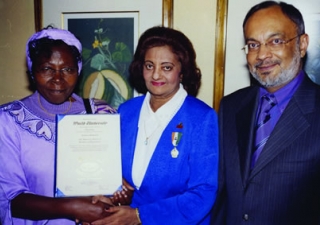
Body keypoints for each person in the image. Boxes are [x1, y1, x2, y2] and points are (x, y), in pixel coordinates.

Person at [0, 26, 132, 224]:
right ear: (32, 71)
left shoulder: (100, 113)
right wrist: (74, 207)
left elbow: (112, 186)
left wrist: (119, 195)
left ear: (78, 71)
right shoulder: (9, 120)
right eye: (46, 69)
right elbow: (10, 201)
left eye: (67, 69)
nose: (58, 79)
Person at [90, 26, 219, 225]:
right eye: (149, 66)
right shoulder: (126, 111)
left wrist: (139, 216)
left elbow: (203, 193)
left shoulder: (202, 118)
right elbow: (111, 169)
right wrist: (109, 189)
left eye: (166, 67)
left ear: (182, 71)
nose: (156, 75)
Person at [211, 1, 320, 225]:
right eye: (253, 45)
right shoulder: (231, 107)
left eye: (275, 41)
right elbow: (221, 193)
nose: (262, 55)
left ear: (302, 44)